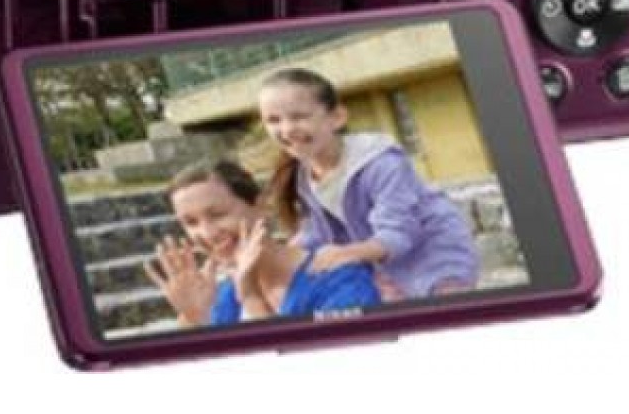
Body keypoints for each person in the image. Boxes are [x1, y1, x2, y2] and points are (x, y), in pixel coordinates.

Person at [257, 68, 478, 300]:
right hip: (385, 263)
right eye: (273, 120)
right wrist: (281, 252)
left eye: (299, 117)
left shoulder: (381, 162)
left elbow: (399, 231)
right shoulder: (305, 175)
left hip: (434, 255)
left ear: (337, 117)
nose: (287, 129)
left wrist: (346, 254)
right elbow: (320, 230)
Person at [145, 159, 380, 326]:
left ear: (261, 207)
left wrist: (251, 298)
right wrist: (198, 319)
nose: (207, 233)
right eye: (191, 223)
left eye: (218, 215)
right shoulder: (223, 295)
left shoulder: (339, 277)